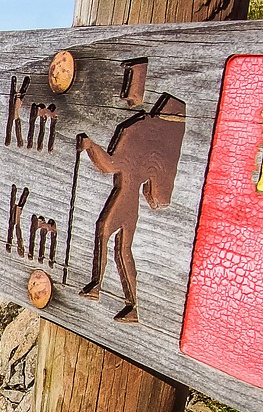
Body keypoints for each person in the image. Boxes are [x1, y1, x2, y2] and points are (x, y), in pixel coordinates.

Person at [76, 61, 186, 325]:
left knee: (109, 236)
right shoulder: (143, 140)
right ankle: (121, 298)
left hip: (126, 198)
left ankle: (103, 289)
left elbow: (110, 165)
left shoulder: (136, 135)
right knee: (120, 247)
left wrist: (91, 146)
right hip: (130, 201)